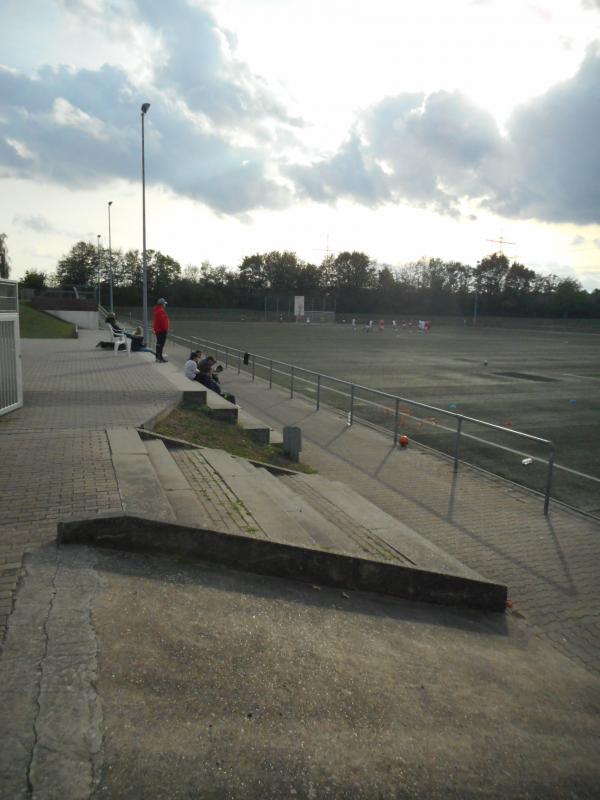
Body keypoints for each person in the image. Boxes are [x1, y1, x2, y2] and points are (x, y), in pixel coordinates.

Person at [152, 298, 169, 363]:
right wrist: (165, 329)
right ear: (162, 304)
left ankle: (158, 357)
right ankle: (160, 358)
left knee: (159, 344)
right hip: (161, 331)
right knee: (161, 344)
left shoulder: (157, 310)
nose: (165, 305)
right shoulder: (161, 311)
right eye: (164, 304)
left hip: (158, 330)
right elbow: (163, 322)